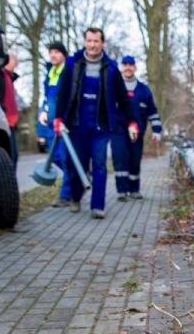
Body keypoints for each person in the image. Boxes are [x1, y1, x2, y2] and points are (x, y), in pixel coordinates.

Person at [54, 28, 139, 219]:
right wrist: (58, 118)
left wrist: (132, 121)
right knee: (78, 164)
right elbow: (63, 93)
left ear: (103, 43)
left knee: (99, 164)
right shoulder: (72, 64)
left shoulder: (110, 67)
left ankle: (97, 205)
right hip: (77, 124)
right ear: (85, 42)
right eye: (89, 41)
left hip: (101, 126)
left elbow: (123, 98)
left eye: (96, 41)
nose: (92, 45)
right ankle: (75, 197)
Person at [118, 55, 163, 200]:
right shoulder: (115, 88)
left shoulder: (143, 90)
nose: (128, 67)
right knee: (121, 159)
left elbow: (153, 112)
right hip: (118, 131)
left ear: (135, 67)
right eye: (125, 65)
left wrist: (157, 131)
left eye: (130, 65)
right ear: (122, 67)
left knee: (135, 160)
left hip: (137, 133)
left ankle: (134, 189)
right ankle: (121, 191)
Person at [37, 41, 71, 208]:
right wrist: (44, 110)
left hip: (64, 123)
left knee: (65, 157)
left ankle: (66, 195)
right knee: (55, 156)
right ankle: (76, 178)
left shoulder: (68, 72)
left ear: (63, 54)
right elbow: (46, 98)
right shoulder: (50, 73)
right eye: (51, 52)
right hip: (51, 123)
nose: (53, 55)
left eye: (57, 52)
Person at [0, 51, 19, 165]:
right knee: (9, 157)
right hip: (3, 121)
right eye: (15, 59)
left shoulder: (9, 77)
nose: (17, 62)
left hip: (12, 124)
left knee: (13, 157)